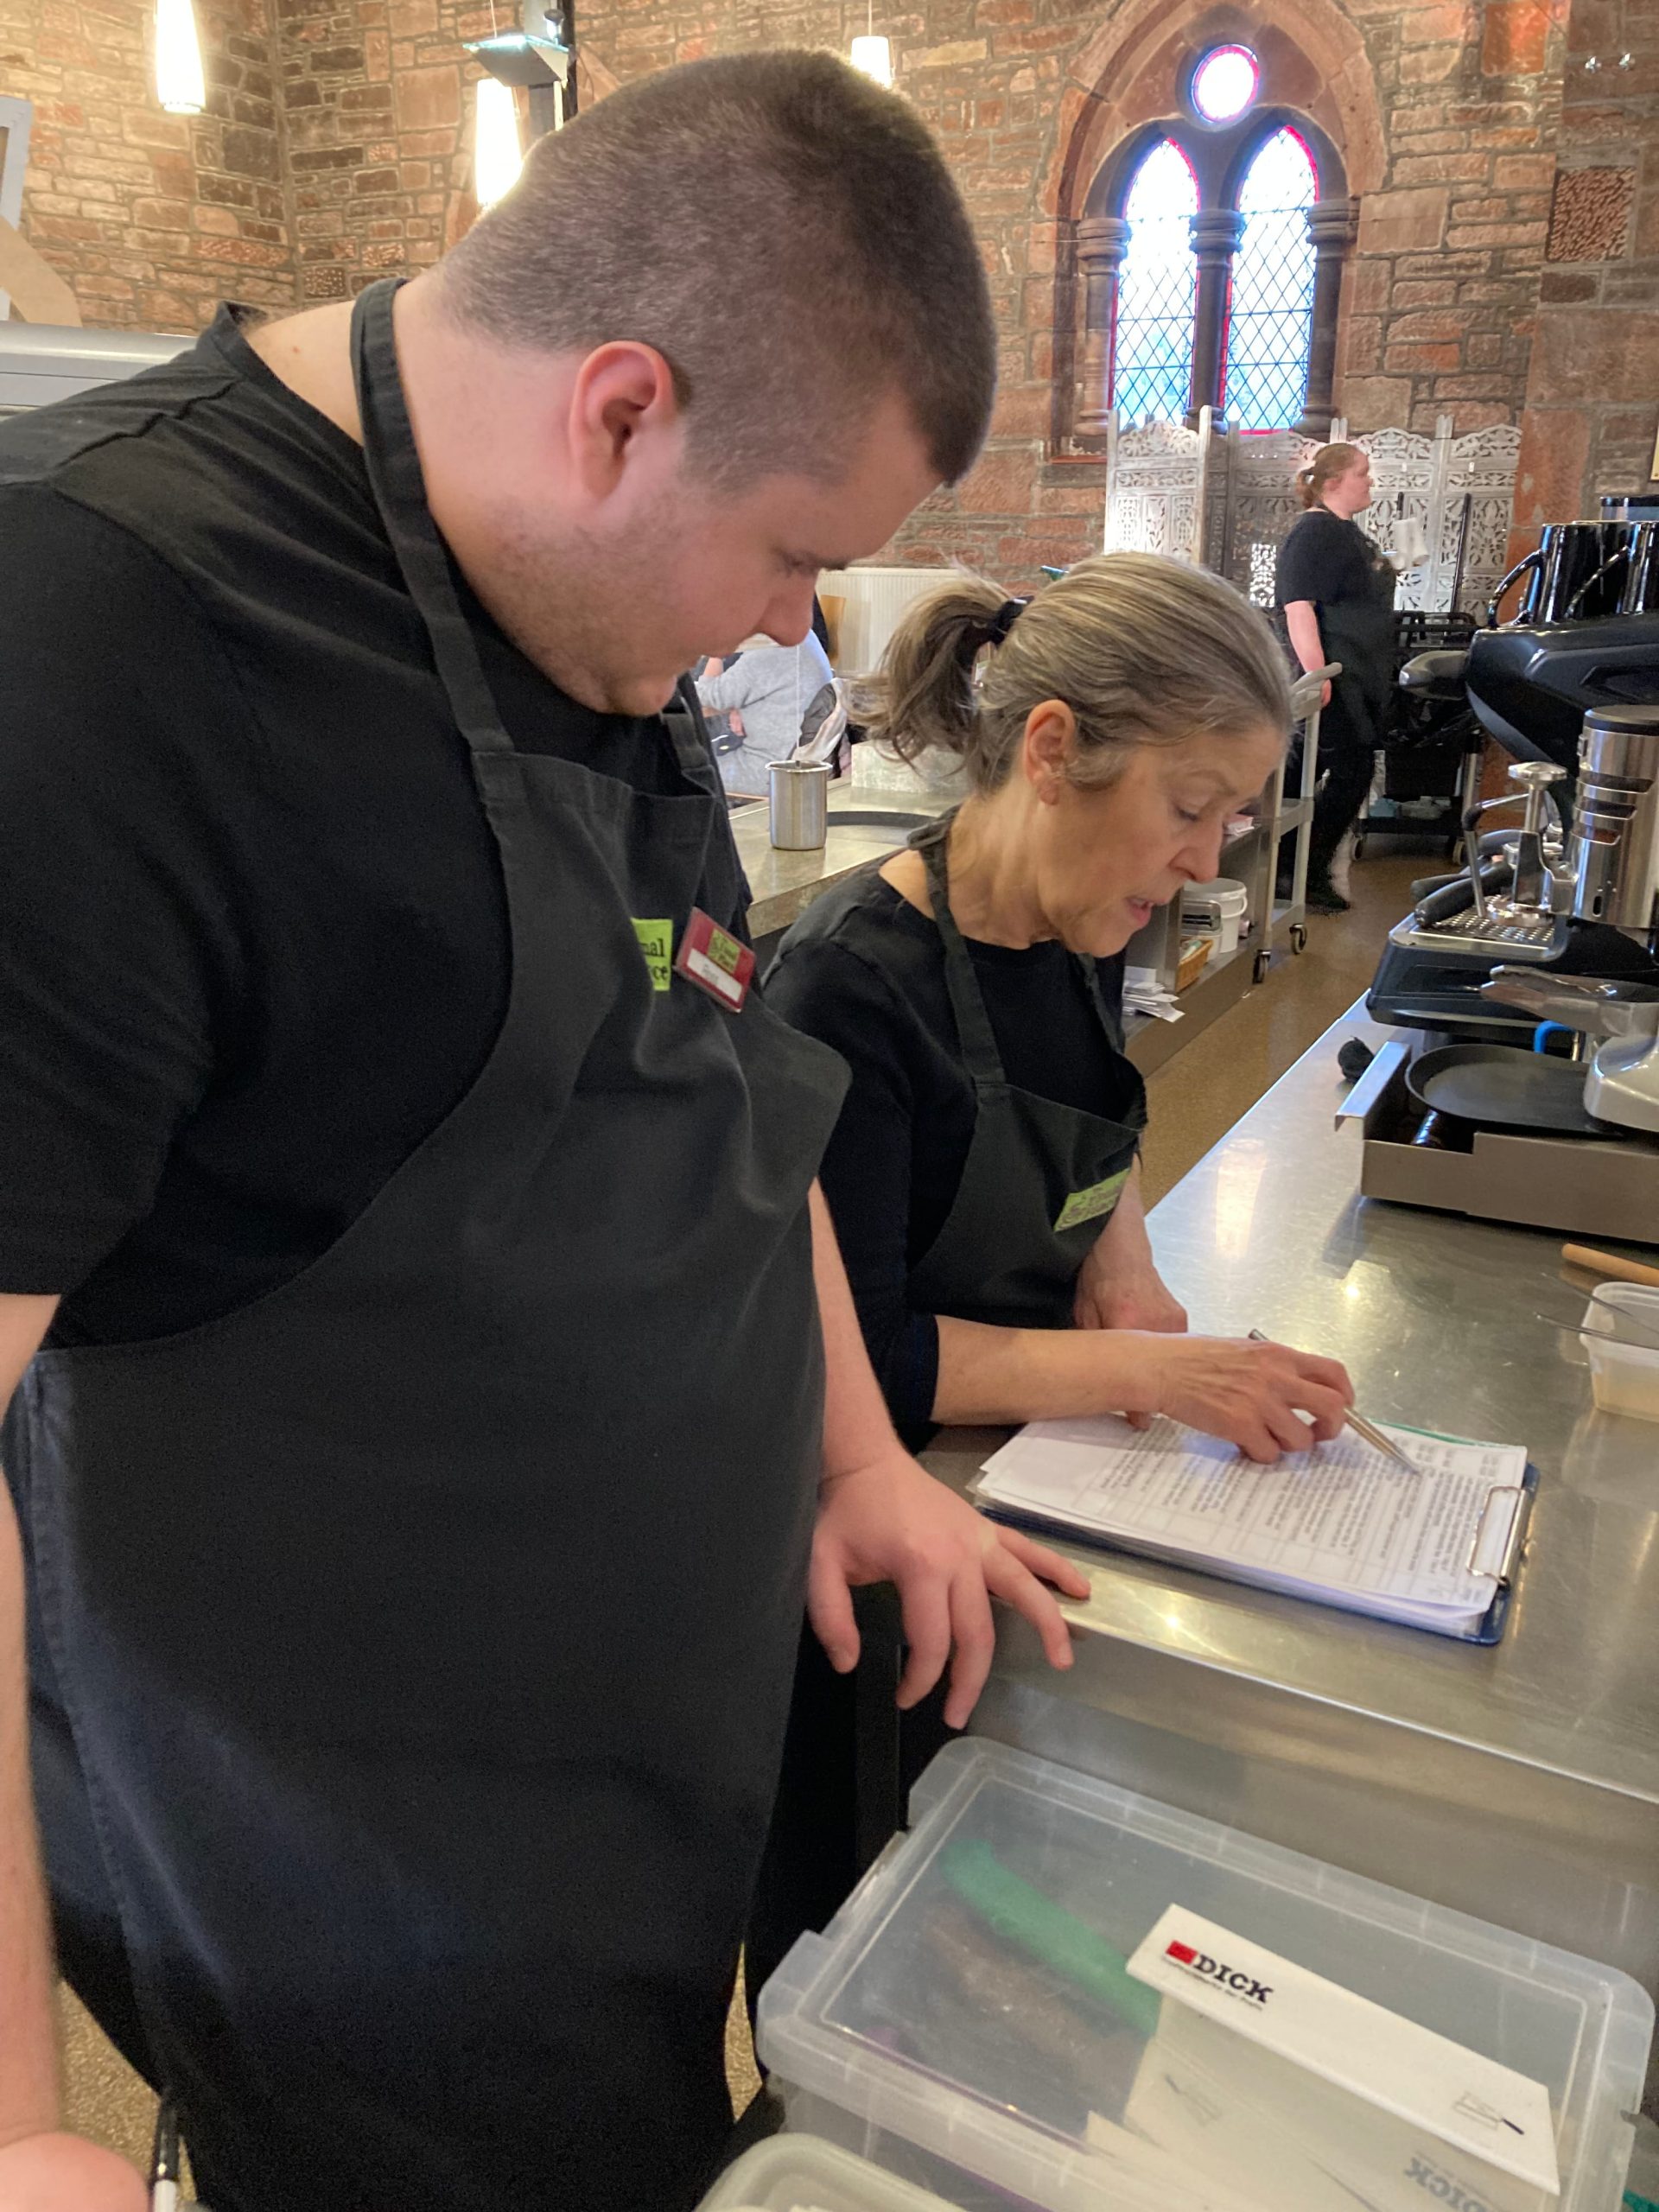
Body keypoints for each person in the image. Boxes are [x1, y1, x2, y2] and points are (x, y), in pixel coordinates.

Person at [0, 54, 1090, 2212]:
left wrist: (851, 1459)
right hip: (357, 1885)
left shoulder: (585, 597)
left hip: (627, 1795)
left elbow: (713, 1059)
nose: (786, 628)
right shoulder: (101, 633)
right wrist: (12, 2117)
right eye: (797, 558)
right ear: (619, 410)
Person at [750, 554, 1354, 2001]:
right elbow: (865, 1357)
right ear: (1050, 748)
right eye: (1189, 808)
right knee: (873, 1966)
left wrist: (1124, 1259)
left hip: (1022, 1490)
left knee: (1029, 1962)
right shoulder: (851, 985)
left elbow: (1086, 1109)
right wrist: (1164, 1373)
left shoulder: (1070, 924)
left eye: (1232, 820)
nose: (1203, 861)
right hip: (879, 1570)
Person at [1276, 442, 1397, 914]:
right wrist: (1316, 673)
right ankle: (1299, 869)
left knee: (1323, 769)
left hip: (1355, 672)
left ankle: (1296, 867)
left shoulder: (1344, 532)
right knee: (1346, 770)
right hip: (1332, 675)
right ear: (1332, 483)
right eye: (1362, 473)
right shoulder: (1314, 533)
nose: (1370, 482)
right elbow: (1298, 606)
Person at [696, 626, 836, 795]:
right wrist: (739, 704)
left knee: (690, 775)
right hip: (795, 761)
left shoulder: (769, 651)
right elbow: (745, 687)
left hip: (768, 770)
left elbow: (706, 695)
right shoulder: (803, 636)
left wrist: (716, 651)